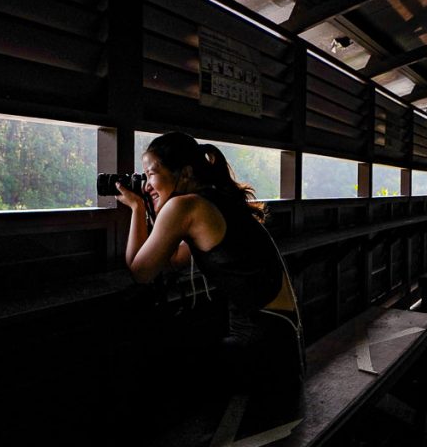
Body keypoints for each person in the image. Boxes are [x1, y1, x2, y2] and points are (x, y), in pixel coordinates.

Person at [116, 132, 304, 435]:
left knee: (156, 376)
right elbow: (175, 258)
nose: (147, 184)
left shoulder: (185, 207)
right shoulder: (214, 200)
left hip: (259, 346)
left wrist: (138, 209)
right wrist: (146, 208)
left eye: (152, 174)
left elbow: (140, 271)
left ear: (185, 174)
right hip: (281, 341)